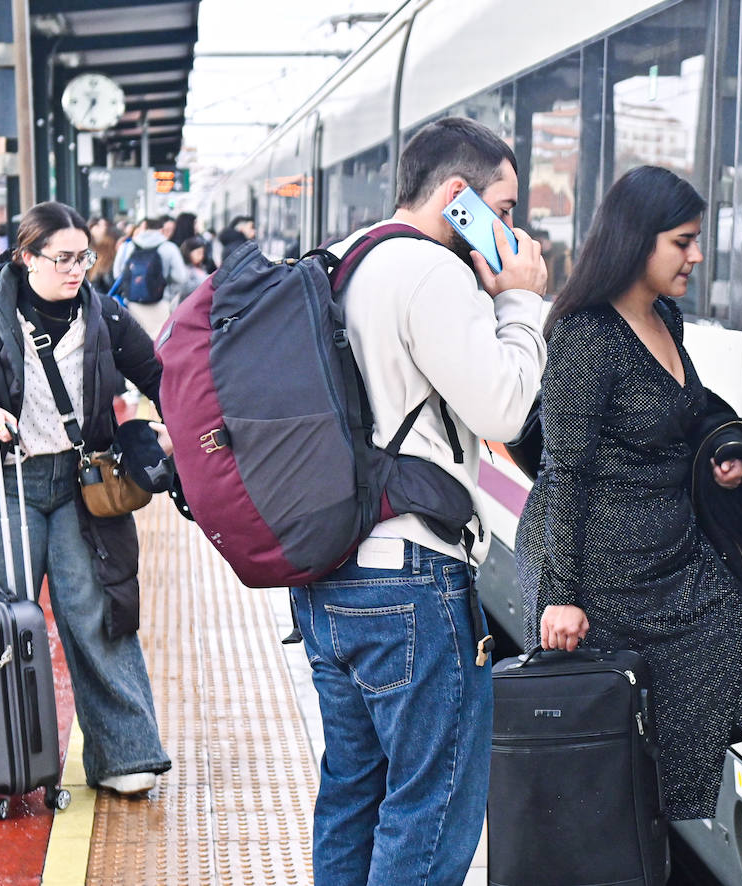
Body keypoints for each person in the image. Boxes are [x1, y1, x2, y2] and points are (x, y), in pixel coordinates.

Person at [516, 166, 742, 882]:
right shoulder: (587, 338)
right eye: (683, 242)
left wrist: (726, 452)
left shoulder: (665, 319)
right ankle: (633, 859)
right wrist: (559, 594)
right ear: (636, 243)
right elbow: (564, 475)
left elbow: (693, 406)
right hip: (606, 572)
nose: (696, 256)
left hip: (674, 552)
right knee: (630, 728)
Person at [290, 116, 546, 886]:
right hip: (410, 577)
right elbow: (502, 408)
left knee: (352, 791)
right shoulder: (433, 273)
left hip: (329, 575)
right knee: (431, 806)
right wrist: (522, 302)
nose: (509, 228)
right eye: (501, 209)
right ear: (457, 196)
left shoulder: (340, 259)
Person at [0, 201, 173, 796]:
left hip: (83, 489)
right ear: (26, 257)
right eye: (63, 258)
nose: (77, 269)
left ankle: (127, 754)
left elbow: (161, 377)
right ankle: (1, 755)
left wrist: (178, 421)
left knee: (99, 613)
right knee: (5, 624)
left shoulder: (105, 317)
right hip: (5, 485)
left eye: (84, 257)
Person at [112, 214, 186, 338]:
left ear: (143, 227)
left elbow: (117, 274)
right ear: (161, 229)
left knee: (136, 343)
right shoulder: (169, 248)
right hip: (161, 303)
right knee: (160, 343)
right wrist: (169, 296)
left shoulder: (126, 247)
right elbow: (180, 277)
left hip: (132, 304)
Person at [176, 236, 209, 304]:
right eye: (198, 253)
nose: (201, 256)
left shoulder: (202, 267)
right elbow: (185, 288)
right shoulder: (184, 269)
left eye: (202, 253)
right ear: (188, 253)